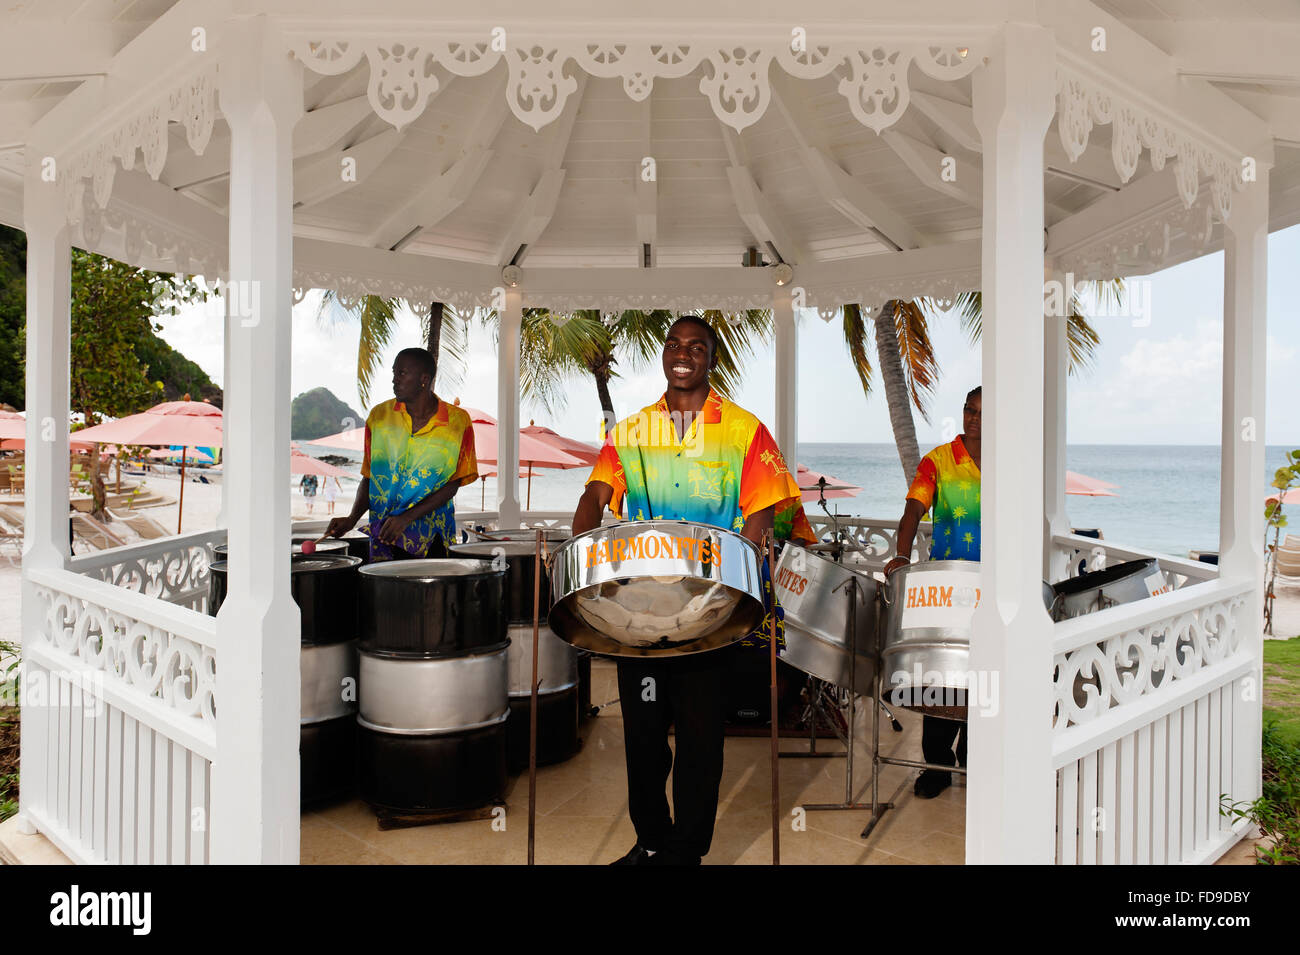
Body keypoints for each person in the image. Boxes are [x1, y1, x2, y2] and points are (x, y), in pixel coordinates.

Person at [570, 316, 814, 866]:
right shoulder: (631, 431)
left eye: (696, 347)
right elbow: (597, 492)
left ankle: (687, 852)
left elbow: (763, 512)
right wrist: (581, 537)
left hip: (707, 614)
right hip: (642, 615)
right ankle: (651, 838)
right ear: (665, 355)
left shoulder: (745, 431)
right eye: (674, 346)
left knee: (701, 740)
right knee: (643, 735)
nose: (684, 355)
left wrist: (735, 577)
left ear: (711, 357)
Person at [884, 386, 981, 799]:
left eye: (982, 412)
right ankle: (936, 766)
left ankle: (976, 758)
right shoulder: (939, 461)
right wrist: (901, 555)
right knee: (941, 676)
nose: (974, 418)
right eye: (968, 410)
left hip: (992, 588)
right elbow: (912, 511)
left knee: (984, 675)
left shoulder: (1012, 461)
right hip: (947, 585)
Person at [325, 347, 476, 560]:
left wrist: (407, 518)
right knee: (387, 593)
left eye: (402, 373)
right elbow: (370, 477)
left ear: (424, 379)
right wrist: (351, 518)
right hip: (384, 535)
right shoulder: (379, 417)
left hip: (432, 537)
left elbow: (453, 483)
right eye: (394, 373)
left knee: (430, 593)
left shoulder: (458, 422)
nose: (394, 380)